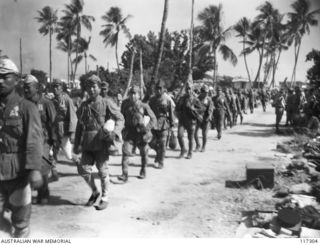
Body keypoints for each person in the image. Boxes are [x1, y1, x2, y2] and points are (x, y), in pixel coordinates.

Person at [0, 58, 43, 237]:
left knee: (20, 222)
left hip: (18, 174)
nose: (0, 81)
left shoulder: (27, 108)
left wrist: (34, 169)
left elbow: (34, 140)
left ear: (17, 79)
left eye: (5, 77)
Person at [73, 75, 124, 210]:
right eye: (89, 87)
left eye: (94, 86)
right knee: (83, 170)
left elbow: (120, 118)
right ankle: (95, 191)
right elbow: (79, 126)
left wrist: (114, 132)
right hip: (87, 143)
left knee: (102, 171)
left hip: (101, 141)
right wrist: (76, 145)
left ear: (99, 88)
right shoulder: (84, 105)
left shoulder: (106, 102)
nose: (91, 89)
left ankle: (105, 197)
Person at [23, 75, 57, 205]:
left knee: (42, 167)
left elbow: (53, 123)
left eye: (28, 87)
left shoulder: (46, 103)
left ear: (36, 88)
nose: (26, 90)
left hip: (44, 141)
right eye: (24, 87)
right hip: (27, 140)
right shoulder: (23, 104)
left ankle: (44, 193)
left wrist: (55, 142)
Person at [118, 85, 156, 182]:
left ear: (139, 95)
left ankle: (143, 170)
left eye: (135, 94)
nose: (132, 96)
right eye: (131, 93)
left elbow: (153, 119)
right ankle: (124, 174)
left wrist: (147, 129)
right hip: (129, 132)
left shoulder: (144, 106)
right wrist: (121, 129)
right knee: (125, 152)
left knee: (144, 153)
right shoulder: (125, 104)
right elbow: (121, 117)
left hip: (141, 134)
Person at [51, 78, 78, 179]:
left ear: (61, 88)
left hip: (64, 131)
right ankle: (54, 171)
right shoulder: (52, 100)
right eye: (54, 86)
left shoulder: (67, 100)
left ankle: (81, 164)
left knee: (69, 155)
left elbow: (73, 117)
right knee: (53, 152)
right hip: (54, 130)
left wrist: (72, 133)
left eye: (57, 86)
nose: (55, 88)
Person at [149, 80, 175, 169]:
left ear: (164, 89)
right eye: (157, 88)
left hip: (164, 123)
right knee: (151, 142)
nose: (158, 90)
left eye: (160, 89)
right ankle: (158, 153)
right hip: (154, 123)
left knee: (163, 144)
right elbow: (147, 111)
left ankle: (161, 161)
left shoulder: (167, 100)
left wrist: (172, 124)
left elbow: (171, 112)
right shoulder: (152, 100)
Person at [175, 81, 202, 159]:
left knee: (190, 138)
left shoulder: (195, 99)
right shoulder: (182, 98)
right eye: (187, 89)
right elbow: (177, 108)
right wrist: (178, 114)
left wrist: (194, 109)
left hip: (191, 121)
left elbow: (201, 109)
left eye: (189, 89)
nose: (188, 90)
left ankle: (190, 152)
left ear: (192, 89)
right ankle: (183, 149)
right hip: (182, 120)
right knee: (179, 136)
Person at [194, 84, 214, 152]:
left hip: (206, 118)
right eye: (205, 92)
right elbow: (193, 108)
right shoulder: (197, 99)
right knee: (195, 132)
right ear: (201, 91)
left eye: (207, 92)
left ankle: (203, 147)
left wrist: (209, 116)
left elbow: (211, 109)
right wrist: (196, 115)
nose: (206, 93)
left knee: (204, 134)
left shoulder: (209, 99)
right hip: (198, 117)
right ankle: (197, 145)